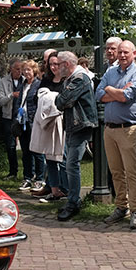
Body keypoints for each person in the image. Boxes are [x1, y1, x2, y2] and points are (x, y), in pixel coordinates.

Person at [98, 40, 136, 230]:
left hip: (128, 129)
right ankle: (121, 206)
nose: (122, 55)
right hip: (109, 129)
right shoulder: (111, 72)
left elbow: (126, 96)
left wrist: (109, 90)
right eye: (120, 52)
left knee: (131, 172)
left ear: (134, 54)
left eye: (126, 52)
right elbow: (98, 94)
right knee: (116, 171)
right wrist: (116, 92)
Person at [53, 51, 97, 221]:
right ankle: (72, 200)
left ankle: (73, 202)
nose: (56, 68)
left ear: (67, 64)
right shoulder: (70, 79)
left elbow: (62, 101)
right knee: (68, 164)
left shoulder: (80, 78)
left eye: (58, 64)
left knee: (71, 164)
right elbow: (60, 102)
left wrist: (64, 100)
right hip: (73, 126)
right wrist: (64, 100)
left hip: (81, 126)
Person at [30, 52, 65, 199]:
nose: (53, 67)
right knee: (49, 155)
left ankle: (65, 188)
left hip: (62, 122)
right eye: (50, 64)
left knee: (62, 157)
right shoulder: (46, 80)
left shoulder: (67, 80)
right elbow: (35, 98)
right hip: (47, 122)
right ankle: (53, 189)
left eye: (56, 64)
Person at [17, 60, 45, 190]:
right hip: (22, 121)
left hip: (34, 121)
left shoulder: (38, 84)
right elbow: (18, 102)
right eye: (24, 70)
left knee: (37, 151)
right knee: (25, 152)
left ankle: (40, 178)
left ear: (34, 71)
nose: (26, 72)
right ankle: (27, 177)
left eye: (28, 69)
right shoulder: (22, 85)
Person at [0, 59, 23, 180]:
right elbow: (1, 101)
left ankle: (29, 174)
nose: (19, 71)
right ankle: (13, 172)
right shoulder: (4, 81)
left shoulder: (25, 80)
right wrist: (11, 95)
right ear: (11, 69)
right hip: (8, 117)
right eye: (17, 69)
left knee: (27, 146)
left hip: (22, 117)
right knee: (10, 145)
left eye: (21, 69)